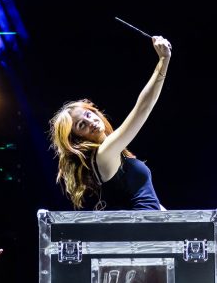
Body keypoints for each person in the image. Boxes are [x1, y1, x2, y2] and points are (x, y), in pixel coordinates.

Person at [48, 34, 172, 211]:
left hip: (148, 225)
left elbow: (149, 201)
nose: (90, 121)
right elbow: (142, 108)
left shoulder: (111, 155)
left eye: (88, 114)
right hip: (141, 226)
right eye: (81, 125)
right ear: (76, 140)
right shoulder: (104, 153)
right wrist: (163, 61)